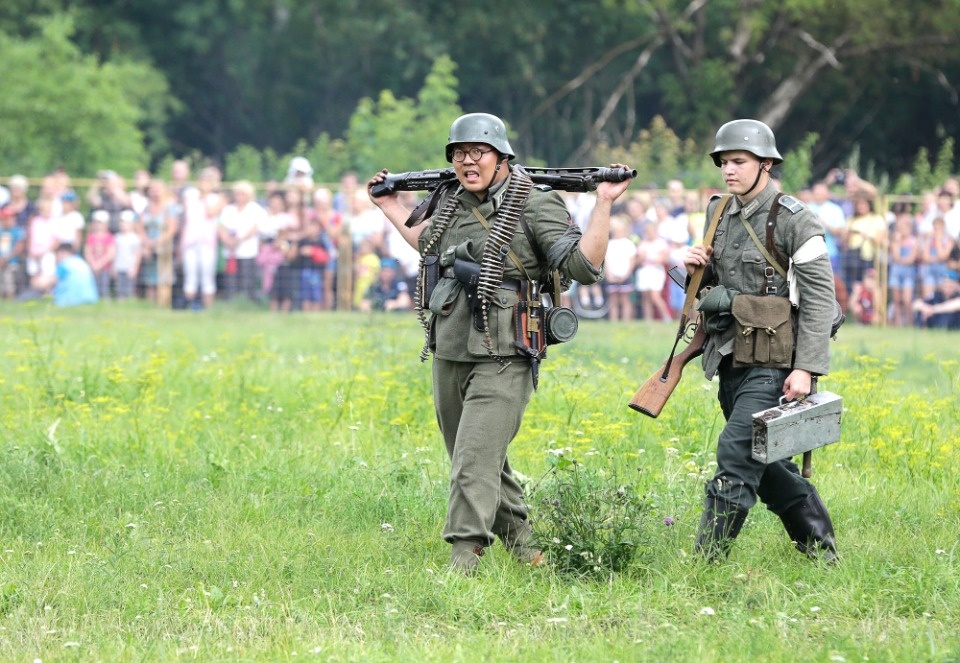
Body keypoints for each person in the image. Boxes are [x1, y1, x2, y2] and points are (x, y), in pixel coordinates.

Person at [367, 112, 632, 574]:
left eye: (479, 152)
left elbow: (582, 267)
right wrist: (389, 206)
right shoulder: (449, 199)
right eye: (459, 153)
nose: (468, 162)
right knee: (479, 456)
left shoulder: (534, 203)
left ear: (501, 156)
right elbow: (429, 243)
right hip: (450, 344)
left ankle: (463, 561)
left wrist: (604, 204)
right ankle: (531, 552)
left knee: (473, 460)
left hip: (506, 350)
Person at [683, 119, 838, 563]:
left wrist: (806, 368)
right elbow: (717, 289)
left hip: (774, 362)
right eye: (724, 162)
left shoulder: (795, 219)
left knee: (737, 450)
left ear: (766, 164)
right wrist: (698, 268)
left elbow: (819, 299)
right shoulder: (718, 211)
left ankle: (705, 564)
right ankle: (822, 552)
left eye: (739, 161)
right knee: (766, 462)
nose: (729, 170)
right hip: (729, 356)